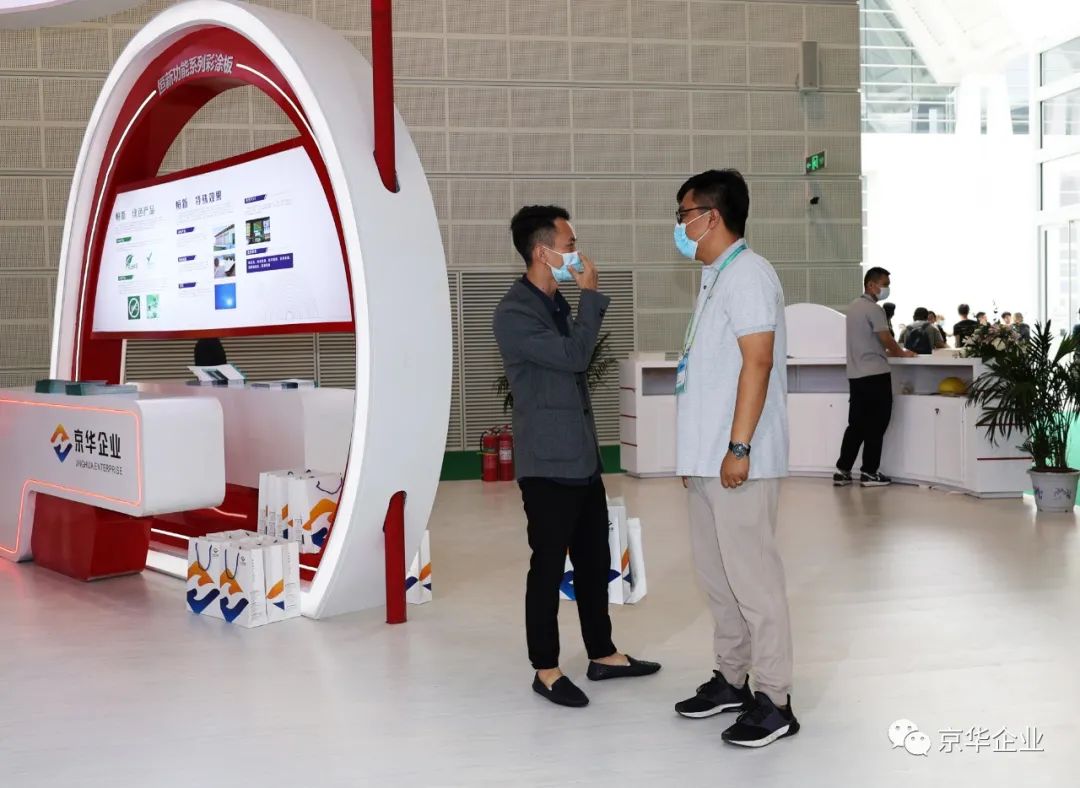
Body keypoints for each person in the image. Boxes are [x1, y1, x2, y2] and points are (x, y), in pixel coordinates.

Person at [493, 205, 660, 709]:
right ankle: (545, 669)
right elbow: (574, 357)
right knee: (547, 567)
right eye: (569, 245)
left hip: (581, 457)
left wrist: (579, 300)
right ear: (542, 252)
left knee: (593, 560)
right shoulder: (515, 313)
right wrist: (590, 295)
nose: (577, 253)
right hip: (547, 463)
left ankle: (602, 653)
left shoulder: (556, 304)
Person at [671, 169, 798, 748]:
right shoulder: (715, 277)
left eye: (684, 215)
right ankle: (732, 678)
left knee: (754, 582)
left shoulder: (748, 274)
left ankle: (775, 699)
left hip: (739, 458)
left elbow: (758, 361)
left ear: (711, 216)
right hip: (707, 460)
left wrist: (738, 446)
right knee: (718, 579)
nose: (680, 226)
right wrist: (696, 455)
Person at [835, 268, 917, 488]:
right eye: (885, 284)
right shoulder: (874, 309)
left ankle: (843, 471)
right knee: (876, 424)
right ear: (871, 285)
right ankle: (869, 472)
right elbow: (886, 338)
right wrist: (902, 353)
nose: (887, 288)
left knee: (856, 425)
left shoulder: (853, 307)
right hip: (875, 374)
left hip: (856, 375)